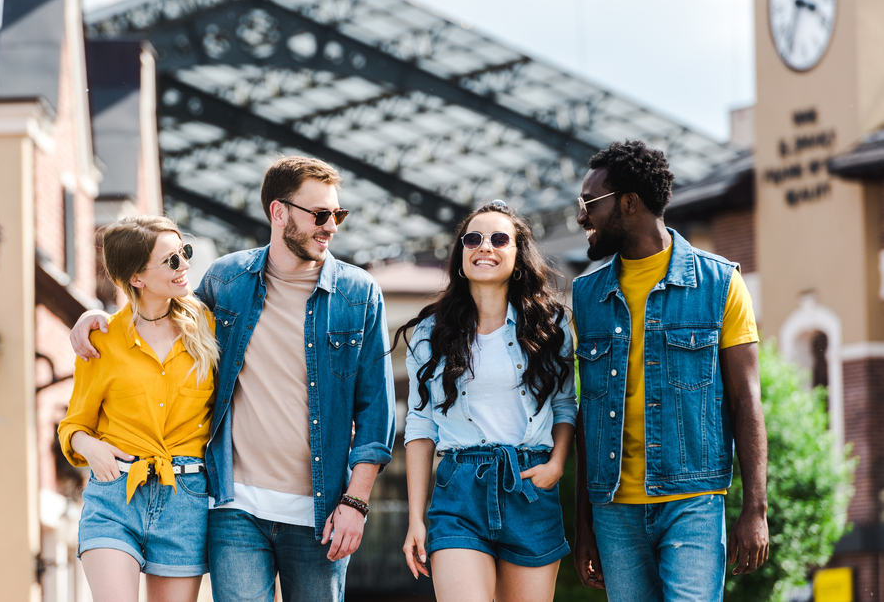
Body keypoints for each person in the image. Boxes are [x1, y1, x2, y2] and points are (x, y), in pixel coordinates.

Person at [70, 156, 395, 602]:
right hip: (233, 507)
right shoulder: (227, 280)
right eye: (320, 214)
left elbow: (376, 411)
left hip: (319, 513)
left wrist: (356, 501)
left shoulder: (358, 295)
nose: (331, 226)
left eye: (338, 214)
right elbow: (160, 312)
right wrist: (96, 316)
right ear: (279, 213)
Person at [571, 140, 769, 601]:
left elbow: (746, 400)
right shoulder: (585, 296)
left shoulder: (720, 283)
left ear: (629, 202)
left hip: (693, 502)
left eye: (588, 204)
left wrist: (755, 507)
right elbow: (585, 416)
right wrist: (583, 525)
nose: (581, 216)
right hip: (614, 509)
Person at [397, 200, 577, 602]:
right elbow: (421, 426)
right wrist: (415, 518)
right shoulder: (431, 332)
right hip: (460, 490)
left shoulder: (551, 326)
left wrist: (557, 464)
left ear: (518, 254)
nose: (485, 247)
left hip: (529, 487)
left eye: (499, 239)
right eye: (473, 239)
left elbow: (566, 405)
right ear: (461, 255)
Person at [58, 216, 219, 602]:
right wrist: (90, 447)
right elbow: (73, 425)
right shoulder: (103, 340)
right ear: (137, 279)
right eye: (171, 261)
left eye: (185, 253)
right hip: (116, 495)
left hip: (186, 498)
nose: (184, 267)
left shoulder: (210, 328)